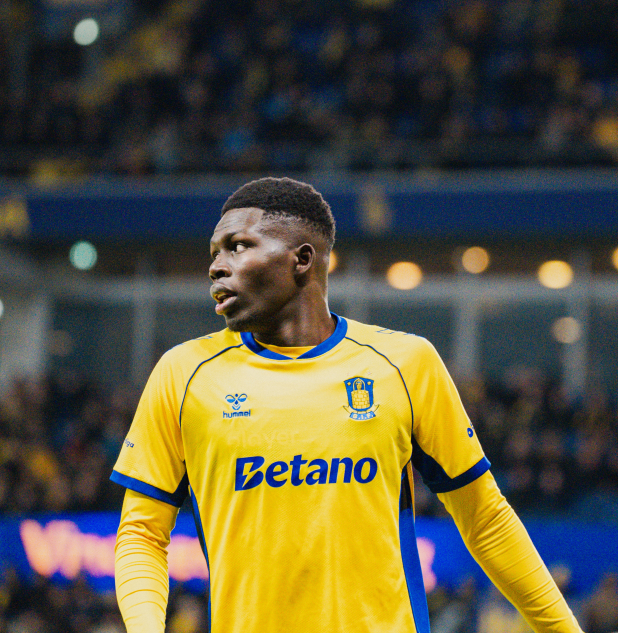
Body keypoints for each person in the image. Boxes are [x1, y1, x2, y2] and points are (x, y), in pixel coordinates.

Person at [110, 177, 584, 633]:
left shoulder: (405, 363)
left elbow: (485, 518)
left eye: (237, 246)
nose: (216, 266)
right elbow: (141, 534)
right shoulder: (183, 373)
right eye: (214, 252)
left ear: (301, 259)